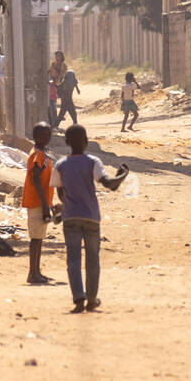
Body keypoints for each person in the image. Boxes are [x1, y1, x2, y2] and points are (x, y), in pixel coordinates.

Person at [52, 124, 129, 312]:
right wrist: (121, 176)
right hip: (91, 217)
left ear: (66, 142)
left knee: (73, 259)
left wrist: (68, 206)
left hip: (70, 218)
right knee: (93, 259)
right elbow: (109, 184)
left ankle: (78, 297)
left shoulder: (61, 165)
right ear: (86, 142)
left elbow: (60, 192)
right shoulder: (93, 162)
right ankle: (92, 298)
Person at [21, 122, 55, 285]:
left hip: (41, 202)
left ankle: (37, 271)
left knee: (39, 237)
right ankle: (32, 273)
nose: (48, 137)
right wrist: (44, 204)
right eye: (44, 134)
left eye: (49, 134)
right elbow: (35, 179)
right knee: (35, 238)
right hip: (36, 202)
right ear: (36, 137)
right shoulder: (37, 155)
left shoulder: (43, 153)